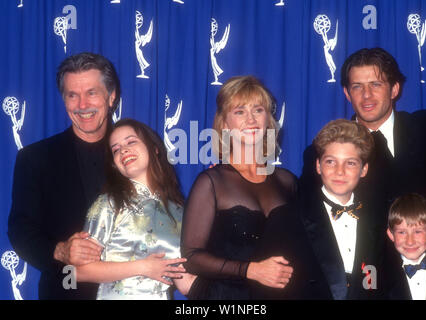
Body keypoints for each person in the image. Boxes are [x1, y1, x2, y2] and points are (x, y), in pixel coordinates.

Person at [7, 52, 120, 299]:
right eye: (72, 95)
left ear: (111, 97)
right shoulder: (35, 158)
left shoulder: (139, 152)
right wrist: (60, 251)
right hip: (66, 293)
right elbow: (21, 229)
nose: (82, 105)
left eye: (91, 92)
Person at [181, 75, 294, 299]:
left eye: (258, 110)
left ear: (268, 120)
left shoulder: (287, 181)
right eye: (240, 111)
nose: (251, 119)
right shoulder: (211, 183)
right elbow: (191, 257)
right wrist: (251, 270)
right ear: (224, 124)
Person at [77, 118, 193, 299]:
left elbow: (185, 282)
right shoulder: (109, 203)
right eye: (116, 149)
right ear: (115, 165)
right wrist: (143, 267)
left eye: (131, 141)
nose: (123, 150)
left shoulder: (179, 211)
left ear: (154, 148)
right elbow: (79, 271)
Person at [340, 47, 426, 226]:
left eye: (376, 84)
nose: (366, 95)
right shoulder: (328, 149)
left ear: (394, 89)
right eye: (357, 87)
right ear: (347, 94)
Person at [299, 119, 385, 300]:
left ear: (364, 170)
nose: (340, 171)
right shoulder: (291, 217)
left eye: (351, 163)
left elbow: (374, 283)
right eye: (331, 161)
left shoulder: (379, 221)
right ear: (318, 165)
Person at [383, 193, 426, 300]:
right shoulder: (379, 275)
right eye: (402, 232)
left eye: (418, 232)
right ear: (391, 235)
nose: (410, 241)